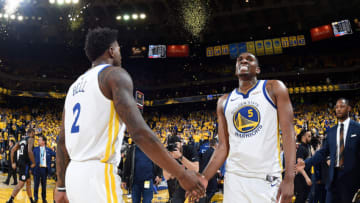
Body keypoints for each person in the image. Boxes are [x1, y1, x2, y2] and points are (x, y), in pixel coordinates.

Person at [54, 27, 205, 203]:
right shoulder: (114, 75)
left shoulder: (74, 87)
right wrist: (182, 174)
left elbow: (61, 141)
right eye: (118, 48)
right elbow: (139, 132)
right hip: (98, 175)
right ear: (111, 51)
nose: (120, 53)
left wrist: (61, 186)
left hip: (74, 176)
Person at [194, 52, 296, 203]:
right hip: (234, 178)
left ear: (258, 69)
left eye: (249, 59)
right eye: (239, 59)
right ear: (236, 69)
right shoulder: (223, 101)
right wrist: (204, 178)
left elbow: (288, 133)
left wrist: (289, 178)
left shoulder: (273, 88)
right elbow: (222, 147)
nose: (243, 61)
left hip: (266, 177)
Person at [297, 98, 360, 203]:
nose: (338, 109)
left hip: (351, 181)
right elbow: (322, 152)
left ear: (349, 108)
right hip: (333, 181)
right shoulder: (331, 131)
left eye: (342, 106)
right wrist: (306, 162)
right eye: (337, 107)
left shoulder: (357, 129)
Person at [163, 135, 200, 203]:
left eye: (176, 144)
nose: (175, 147)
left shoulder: (189, 149)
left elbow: (196, 169)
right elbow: (167, 176)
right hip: (179, 184)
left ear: (181, 143)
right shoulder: (169, 155)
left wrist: (180, 157)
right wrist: (168, 159)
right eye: (172, 145)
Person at [6, 128, 36, 203]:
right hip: (25, 163)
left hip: (21, 162)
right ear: (31, 133)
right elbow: (29, 151)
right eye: (34, 133)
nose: (35, 134)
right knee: (21, 184)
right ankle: (10, 200)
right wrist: (34, 162)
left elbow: (12, 150)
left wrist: (13, 162)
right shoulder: (31, 139)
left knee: (28, 182)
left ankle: (31, 200)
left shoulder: (22, 140)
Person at [33, 135, 56, 203]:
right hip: (37, 169)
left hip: (45, 170)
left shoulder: (48, 150)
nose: (38, 141)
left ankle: (44, 199)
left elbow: (56, 155)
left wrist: (53, 163)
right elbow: (32, 159)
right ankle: (36, 198)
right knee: (36, 185)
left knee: (44, 185)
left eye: (39, 140)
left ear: (43, 141)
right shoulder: (35, 149)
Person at [294, 130, 313, 203]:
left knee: (304, 197)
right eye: (309, 136)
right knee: (300, 198)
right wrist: (307, 178)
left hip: (306, 175)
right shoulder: (301, 148)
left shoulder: (307, 147)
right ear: (303, 137)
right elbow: (299, 165)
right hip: (301, 177)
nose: (310, 138)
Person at [199, 139, 219, 203]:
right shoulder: (213, 152)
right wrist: (217, 171)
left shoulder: (207, 151)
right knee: (213, 188)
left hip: (203, 172)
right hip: (209, 173)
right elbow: (211, 163)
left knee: (208, 189)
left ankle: (206, 200)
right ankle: (207, 201)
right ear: (216, 144)